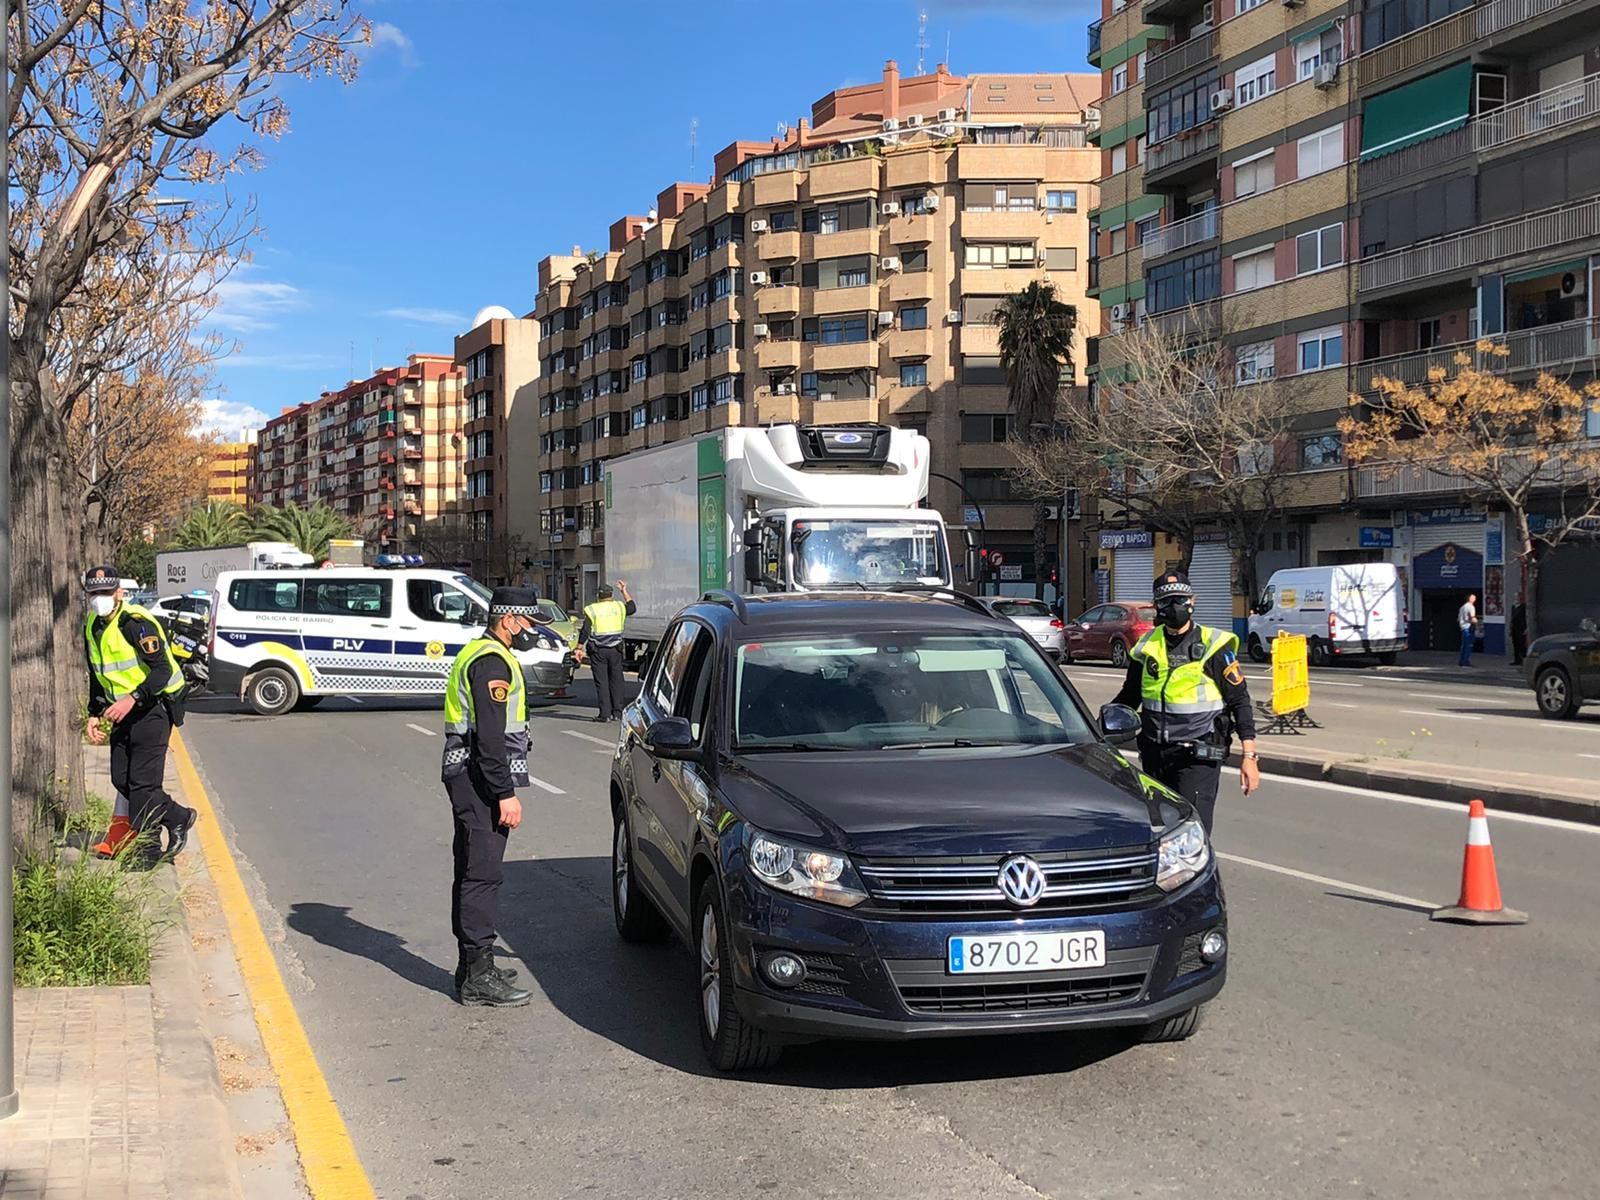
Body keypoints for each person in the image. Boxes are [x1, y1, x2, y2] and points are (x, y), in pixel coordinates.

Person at [441, 587, 542, 1007]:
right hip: (479, 780)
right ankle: (478, 975)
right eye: (529, 622)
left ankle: (472, 966)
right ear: (508, 620)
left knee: (471, 869)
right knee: (482, 874)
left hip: (469, 775)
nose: (533, 631)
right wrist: (505, 794)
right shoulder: (490, 663)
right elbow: (490, 739)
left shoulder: (481, 652)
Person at [1111, 571, 1261, 834]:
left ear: (1193, 600)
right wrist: (1099, 727)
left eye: (1181, 599)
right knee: (1160, 832)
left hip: (1197, 756)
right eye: (1167, 601)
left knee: (1193, 830)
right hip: (1156, 755)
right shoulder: (1145, 647)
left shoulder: (1214, 646)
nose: (1175, 607)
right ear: (1156, 605)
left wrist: (1249, 757)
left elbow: (1240, 702)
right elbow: (1129, 697)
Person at [82, 565, 197, 869]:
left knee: (143, 786)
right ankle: (179, 817)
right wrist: (93, 713)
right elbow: (98, 674)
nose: (99, 599)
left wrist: (133, 698)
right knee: (122, 780)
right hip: (121, 713)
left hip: (153, 708)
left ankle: (148, 852)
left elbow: (162, 670)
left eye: (105, 592)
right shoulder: (92, 624)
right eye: (94, 593)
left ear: (118, 592)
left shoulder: (136, 623)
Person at [575, 581, 636, 723]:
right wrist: (624, 591)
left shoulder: (592, 609)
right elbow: (632, 607)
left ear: (598, 596)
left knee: (602, 682)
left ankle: (605, 714)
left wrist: (579, 647)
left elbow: (585, 630)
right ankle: (618, 712)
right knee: (617, 680)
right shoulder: (619, 606)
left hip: (598, 650)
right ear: (611, 595)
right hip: (616, 649)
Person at [1458, 592, 1479, 667]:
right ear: (1470, 599)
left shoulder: (1462, 607)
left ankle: (1461, 660)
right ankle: (1465, 661)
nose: (1475, 599)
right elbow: (1472, 617)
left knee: (1463, 646)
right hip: (1469, 628)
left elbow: (1458, 619)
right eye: (1474, 598)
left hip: (1463, 628)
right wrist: (1477, 622)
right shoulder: (1471, 607)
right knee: (1469, 646)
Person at [1510, 601, 1528, 666]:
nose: (1516, 599)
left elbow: (1526, 616)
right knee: (1515, 645)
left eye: (1518, 596)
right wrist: (1510, 628)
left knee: (1522, 645)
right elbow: (1512, 618)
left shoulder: (1523, 606)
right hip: (1514, 628)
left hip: (1521, 628)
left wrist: (1526, 628)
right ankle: (1517, 660)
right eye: (1515, 597)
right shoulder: (1513, 606)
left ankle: (1524, 660)